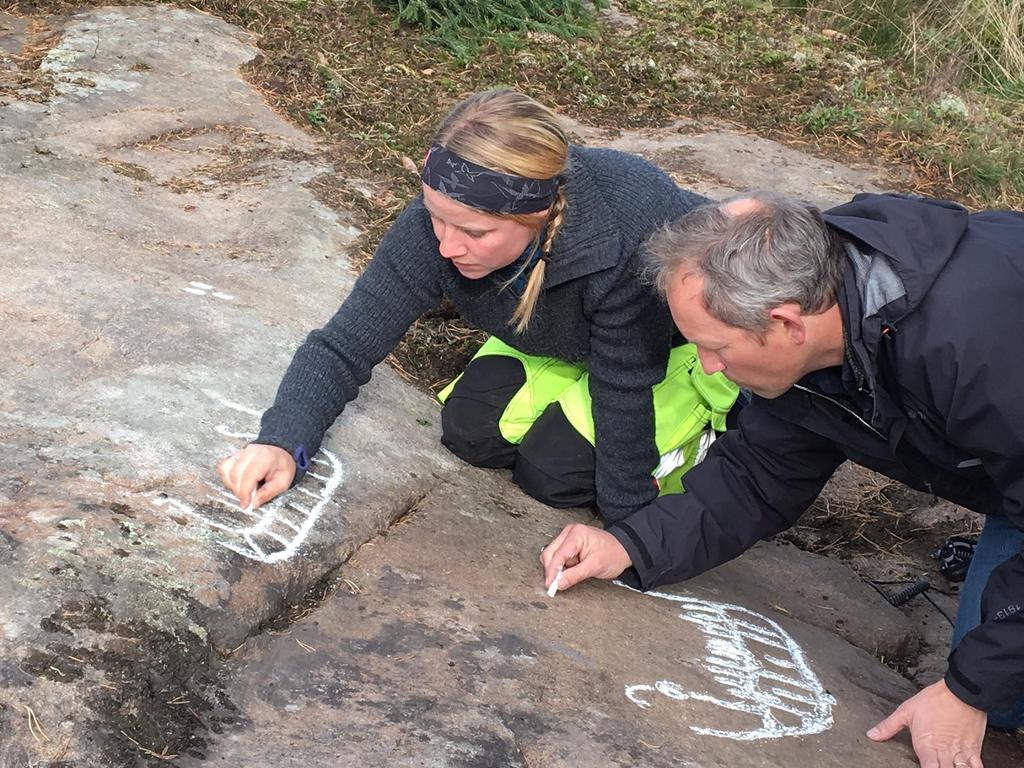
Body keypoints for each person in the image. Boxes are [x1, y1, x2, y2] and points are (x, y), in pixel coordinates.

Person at [541, 190, 1024, 766]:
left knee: (992, 684)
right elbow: (761, 471)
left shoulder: (973, 348)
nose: (709, 367)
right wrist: (630, 544)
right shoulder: (819, 309)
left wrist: (968, 690)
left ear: (786, 324)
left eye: (713, 347)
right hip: (1008, 454)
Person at [217, 88, 737, 528]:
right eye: (437, 218)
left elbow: (623, 386)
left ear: (536, 214)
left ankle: (699, 431)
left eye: (474, 232)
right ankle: (561, 360)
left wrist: (632, 533)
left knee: (555, 472)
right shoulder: (441, 223)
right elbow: (346, 342)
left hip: (673, 349)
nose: (446, 246)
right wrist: (283, 442)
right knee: (470, 431)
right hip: (562, 332)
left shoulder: (622, 239)